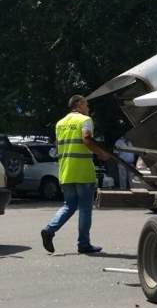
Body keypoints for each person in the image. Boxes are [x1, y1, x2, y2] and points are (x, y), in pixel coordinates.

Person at [41, 95, 111, 254]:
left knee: (69, 205)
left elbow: (58, 147)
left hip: (66, 171)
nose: (88, 108)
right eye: (86, 104)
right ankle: (83, 244)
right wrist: (101, 153)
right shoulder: (85, 120)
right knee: (85, 208)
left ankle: (49, 230)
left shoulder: (60, 124)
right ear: (78, 104)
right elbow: (86, 139)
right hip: (82, 171)